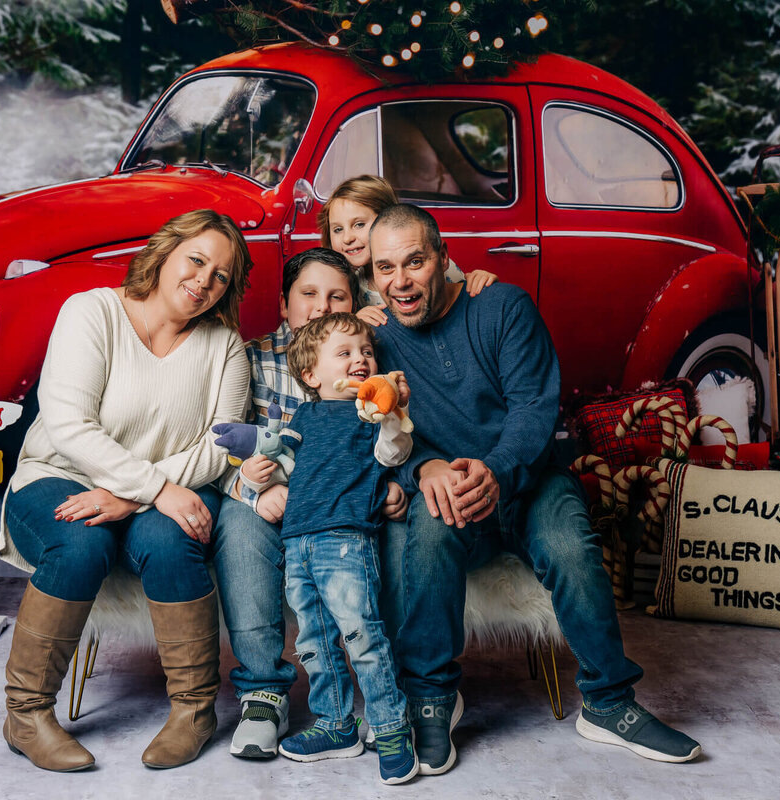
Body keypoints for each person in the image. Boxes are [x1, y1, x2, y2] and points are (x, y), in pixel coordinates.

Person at [366, 203, 703, 774]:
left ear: (443, 259)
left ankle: (608, 702)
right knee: (426, 527)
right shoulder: (376, 339)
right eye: (384, 268)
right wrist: (423, 468)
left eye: (414, 261)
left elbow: (533, 408)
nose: (399, 281)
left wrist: (496, 471)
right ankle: (431, 699)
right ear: (371, 275)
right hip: (450, 490)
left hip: (529, 481)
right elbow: (375, 428)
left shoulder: (502, 307)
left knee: (571, 546)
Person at [0, 209, 253, 772]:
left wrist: (137, 497)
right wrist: (154, 487)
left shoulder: (224, 346)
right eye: (197, 260)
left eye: (222, 275)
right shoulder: (92, 312)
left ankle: (194, 712)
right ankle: (27, 714)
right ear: (164, 253)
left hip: (173, 489)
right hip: (62, 474)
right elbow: (69, 427)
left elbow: (223, 446)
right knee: (81, 543)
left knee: (171, 541)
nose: (205, 280)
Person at [212, 247, 364, 760]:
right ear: (283, 304)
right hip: (271, 497)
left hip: (345, 504)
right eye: (309, 295)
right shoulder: (249, 358)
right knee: (238, 521)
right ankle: (264, 694)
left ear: (354, 303)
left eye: (336, 296)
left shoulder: (364, 357)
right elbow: (222, 441)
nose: (321, 307)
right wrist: (256, 485)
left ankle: (403, 687)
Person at [267, 312, 418, 785]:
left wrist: (391, 415)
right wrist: (257, 469)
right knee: (313, 641)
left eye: (366, 352)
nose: (360, 359)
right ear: (311, 375)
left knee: (363, 636)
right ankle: (335, 725)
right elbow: (281, 456)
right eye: (345, 352)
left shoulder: (371, 414)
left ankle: (392, 728)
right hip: (298, 540)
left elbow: (395, 453)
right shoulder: (305, 414)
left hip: (346, 540)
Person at [317, 174, 497, 310]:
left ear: (389, 220)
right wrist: (358, 322)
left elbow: (461, 299)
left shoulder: (433, 265)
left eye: (359, 224)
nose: (347, 238)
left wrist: (477, 280)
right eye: (338, 229)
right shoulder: (350, 284)